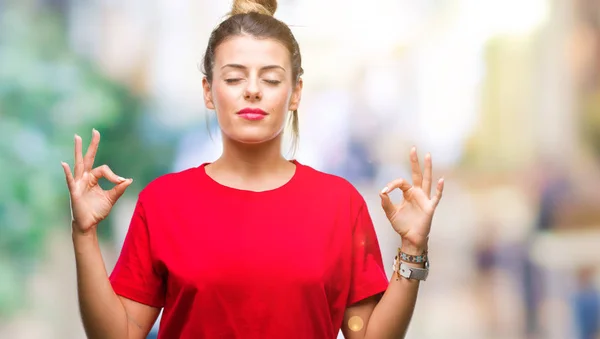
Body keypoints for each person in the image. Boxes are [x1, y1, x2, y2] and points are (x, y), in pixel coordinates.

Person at [60, 0, 445, 338]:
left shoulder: (339, 204)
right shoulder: (163, 202)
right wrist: (84, 233)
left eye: (271, 79)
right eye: (233, 77)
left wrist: (412, 250)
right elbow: (120, 334)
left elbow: (367, 335)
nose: (253, 90)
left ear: (295, 93)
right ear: (209, 91)